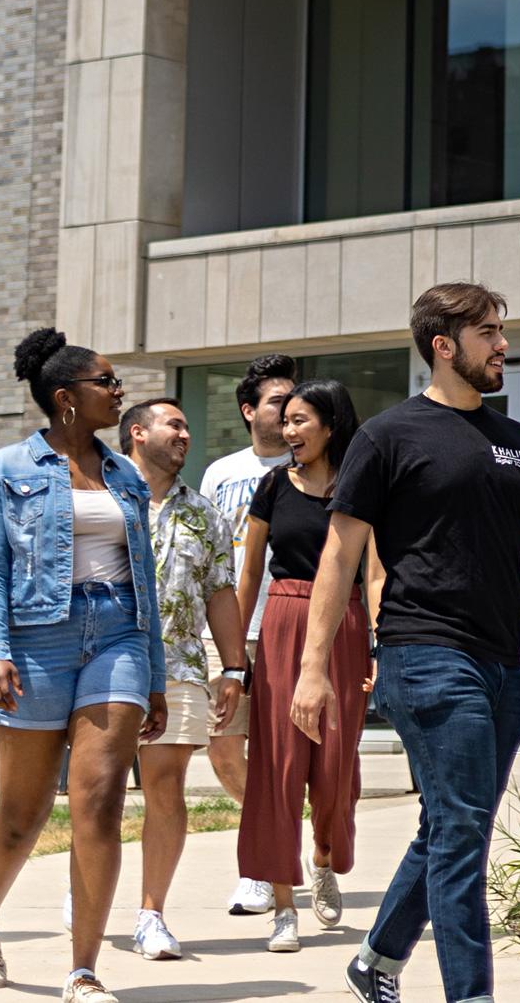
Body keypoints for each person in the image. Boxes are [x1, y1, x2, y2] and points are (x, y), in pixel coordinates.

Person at [291, 282, 520, 1003]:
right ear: (443, 345)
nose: (502, 345)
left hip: (501, 664)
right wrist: (312, 669)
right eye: (488, 332)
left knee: (456, 824)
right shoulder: (388, 437)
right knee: (460, 833)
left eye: (501, 330)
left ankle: (377, 959)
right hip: (423, 653)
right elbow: (340, 554)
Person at [0, 328, 167, 1003]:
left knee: (101, 803)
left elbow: (147, 583)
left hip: (117, 638)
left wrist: (155, 677)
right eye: (106, 382)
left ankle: (83, 968)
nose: (119, 393)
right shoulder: (7, 470)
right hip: (34, 642)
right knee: (21, 817)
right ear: (66, 398)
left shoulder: (126, 478)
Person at [238, 378, 383, 953]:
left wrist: (379, 643)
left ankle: (323, 855)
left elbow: (374, 572)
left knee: (334, 770)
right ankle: (282, 905)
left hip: (345, 628)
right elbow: (248, 574)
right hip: (281, 622)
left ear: (330, 425)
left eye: (300, 421)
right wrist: (233, 658)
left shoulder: (364, 489)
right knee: (277, 766)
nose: (287, 430)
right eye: (286, 420)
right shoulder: (273, 485)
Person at [116, 397, 248, 960]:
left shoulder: (204, 512)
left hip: (180, 667)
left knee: (165, 788)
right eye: (175, 423)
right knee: (95, 792)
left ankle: (151, 915)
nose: (185, 434)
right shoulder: (103, 500)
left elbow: (221, 591)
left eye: (187, 425)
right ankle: (87, 891)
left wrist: (234, 666)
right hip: (104, 664)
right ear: (137, 433)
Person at [198, 352, 297, 917]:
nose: (287, 411)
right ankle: (273, 836)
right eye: (276, 402)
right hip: (228, 628)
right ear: (248, 411)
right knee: (222, 746)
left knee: (279, 754)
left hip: (286, 622)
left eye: (293, 401)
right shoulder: (222, 473)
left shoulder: (314, 467)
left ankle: (263, 865)